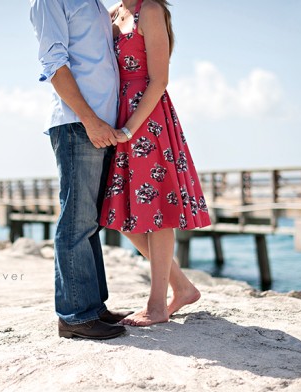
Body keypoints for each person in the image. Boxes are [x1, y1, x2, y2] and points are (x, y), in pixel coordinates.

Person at [100, 0, 212, 326]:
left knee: (159, 209)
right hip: (117, 116)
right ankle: (183, 288)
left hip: (146, 119)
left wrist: (129, 128)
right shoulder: (110, 13)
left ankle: (157, 305)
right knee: (117, 212)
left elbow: (159, 80)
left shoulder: (149, 10)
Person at [29, 0, 133, 340]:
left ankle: (93, 307)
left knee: (90, 222)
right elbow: (54, 64)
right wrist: (90, 121)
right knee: (76, 221)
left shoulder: (96, 4)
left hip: (101, 124)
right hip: (79, 123)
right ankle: (75, 316)